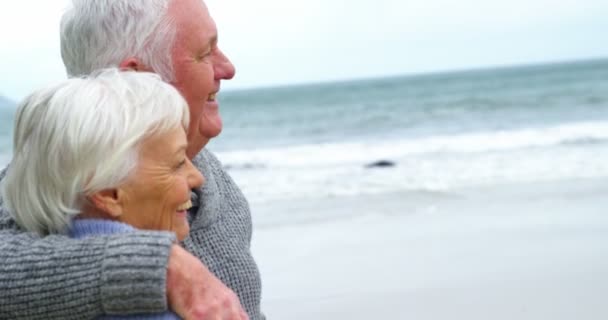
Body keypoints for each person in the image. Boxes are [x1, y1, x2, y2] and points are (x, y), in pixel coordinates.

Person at [0, 0, 263, 319]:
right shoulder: (52, 180)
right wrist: (160, 266)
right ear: (136, 77)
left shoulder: (209, 171)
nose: (228, 68)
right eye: (204, 53)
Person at [2, 69, 206, 319]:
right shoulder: (153, 308)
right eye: (177, 164)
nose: (198, 178)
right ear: (108, 193)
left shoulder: (41, 297)